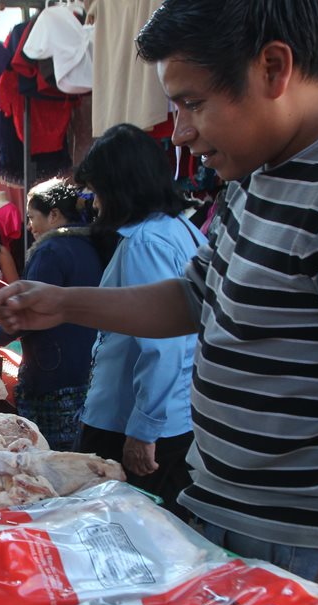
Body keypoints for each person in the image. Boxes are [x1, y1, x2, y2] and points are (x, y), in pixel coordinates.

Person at [0, 0, 318, 605]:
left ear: (274, 68)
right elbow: (197, 296)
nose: (184, 132)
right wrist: (65, 304)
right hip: (230, 522)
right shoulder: (263, 169)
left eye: (193, 103)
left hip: (317, 553)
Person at [75, 124, 204, 520]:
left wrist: (144, 430)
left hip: (134, 423)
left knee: (124, 529)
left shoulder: (147, 242)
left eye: (96, 193)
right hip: (165, 417)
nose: (94, 205)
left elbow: (163, 344)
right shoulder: (181, 228)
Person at [0, 178, 112, 450]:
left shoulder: (51, 250)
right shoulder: (89, 245)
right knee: (70, 449)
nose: (29, 226)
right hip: (85, 363)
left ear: (54, 214)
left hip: (52, 368)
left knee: (42, 450)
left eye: (32, 218)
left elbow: (26, 311)